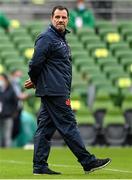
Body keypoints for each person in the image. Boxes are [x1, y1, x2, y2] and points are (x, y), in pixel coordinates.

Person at [24, 5, 111, 175]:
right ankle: (88, 161)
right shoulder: (46, 38)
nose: (60, 20)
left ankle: (39, 166)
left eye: (63, 17)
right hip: (55, 91)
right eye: (57, 17)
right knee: (68, 125)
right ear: (51, 18)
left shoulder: (60, 39)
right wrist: (35, 80)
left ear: (68, 20)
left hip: (53, 89)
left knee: (45, 128)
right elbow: (35, 63)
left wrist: (38, 81)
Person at [0, 73, 18, 147]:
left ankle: (7, 149)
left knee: (7, 135)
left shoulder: (11, 90)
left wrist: (13, 112)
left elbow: (15, 103)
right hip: (0, 115)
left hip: (8, 116)